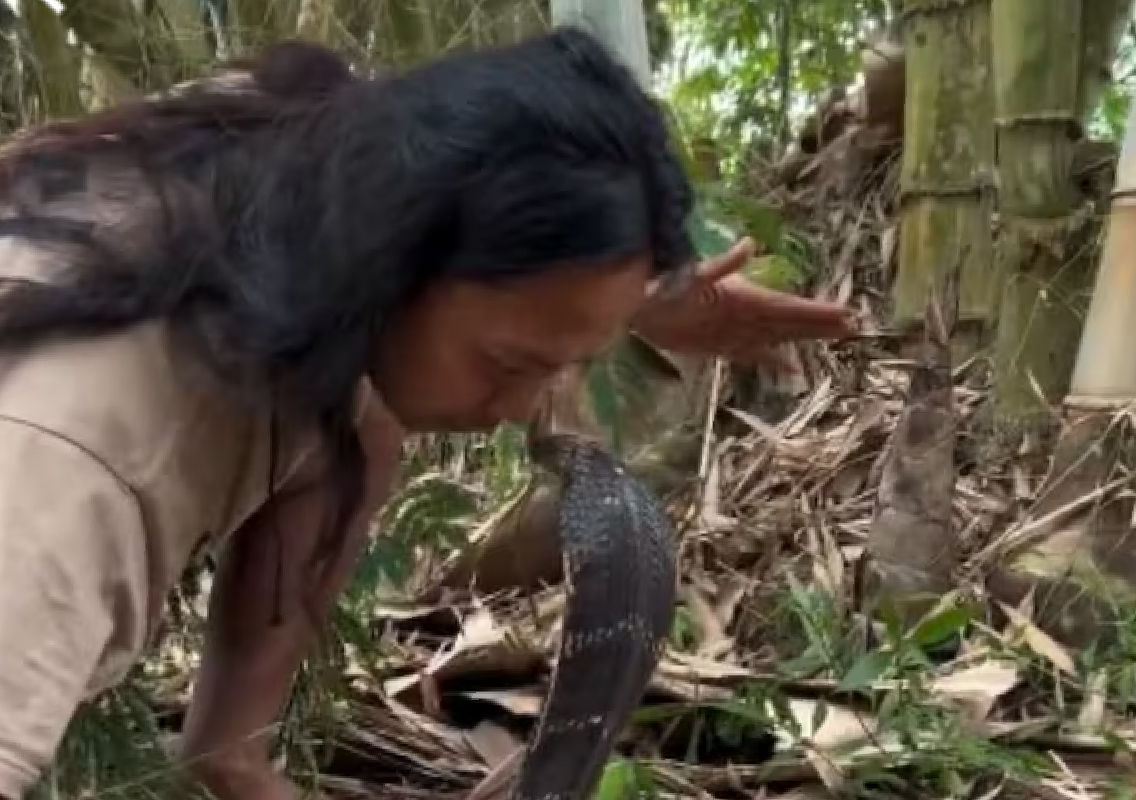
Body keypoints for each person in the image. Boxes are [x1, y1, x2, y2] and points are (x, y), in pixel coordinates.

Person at [0, 28, 855, 800]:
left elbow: (422, 146)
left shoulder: (297, 164)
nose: (524, 409)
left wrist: (632, 295)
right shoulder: (68, 479)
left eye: (565, 362)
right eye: (512, 363)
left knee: (362, 425)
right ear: (390, 259)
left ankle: (237, 758)